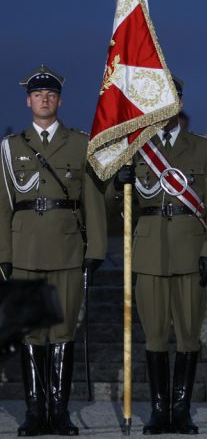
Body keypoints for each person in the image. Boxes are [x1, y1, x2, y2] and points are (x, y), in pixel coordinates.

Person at [108, 77, 207, 434]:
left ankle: (182, 409)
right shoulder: (136, 147)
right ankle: (160, 410)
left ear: (179, 102)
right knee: (155, 336)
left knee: (189, 335)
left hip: (191, 251)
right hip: (149, 253)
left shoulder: (203, 148)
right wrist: (118, 183)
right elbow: (113, 205)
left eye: (171, 98)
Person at [0, 65, 107, 436]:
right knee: (31, 333)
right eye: (37, 94)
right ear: (28, 101)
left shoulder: (81, 143)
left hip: (67, 249)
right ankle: (35, 413)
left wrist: (96, 249)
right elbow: (2, 206)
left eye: (50, 94)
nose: (44, 99)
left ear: (59, 101)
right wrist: (4, 255)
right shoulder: (10, 147)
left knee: (62, 332)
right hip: (25, 250)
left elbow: (92, 200)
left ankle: (59, 413)